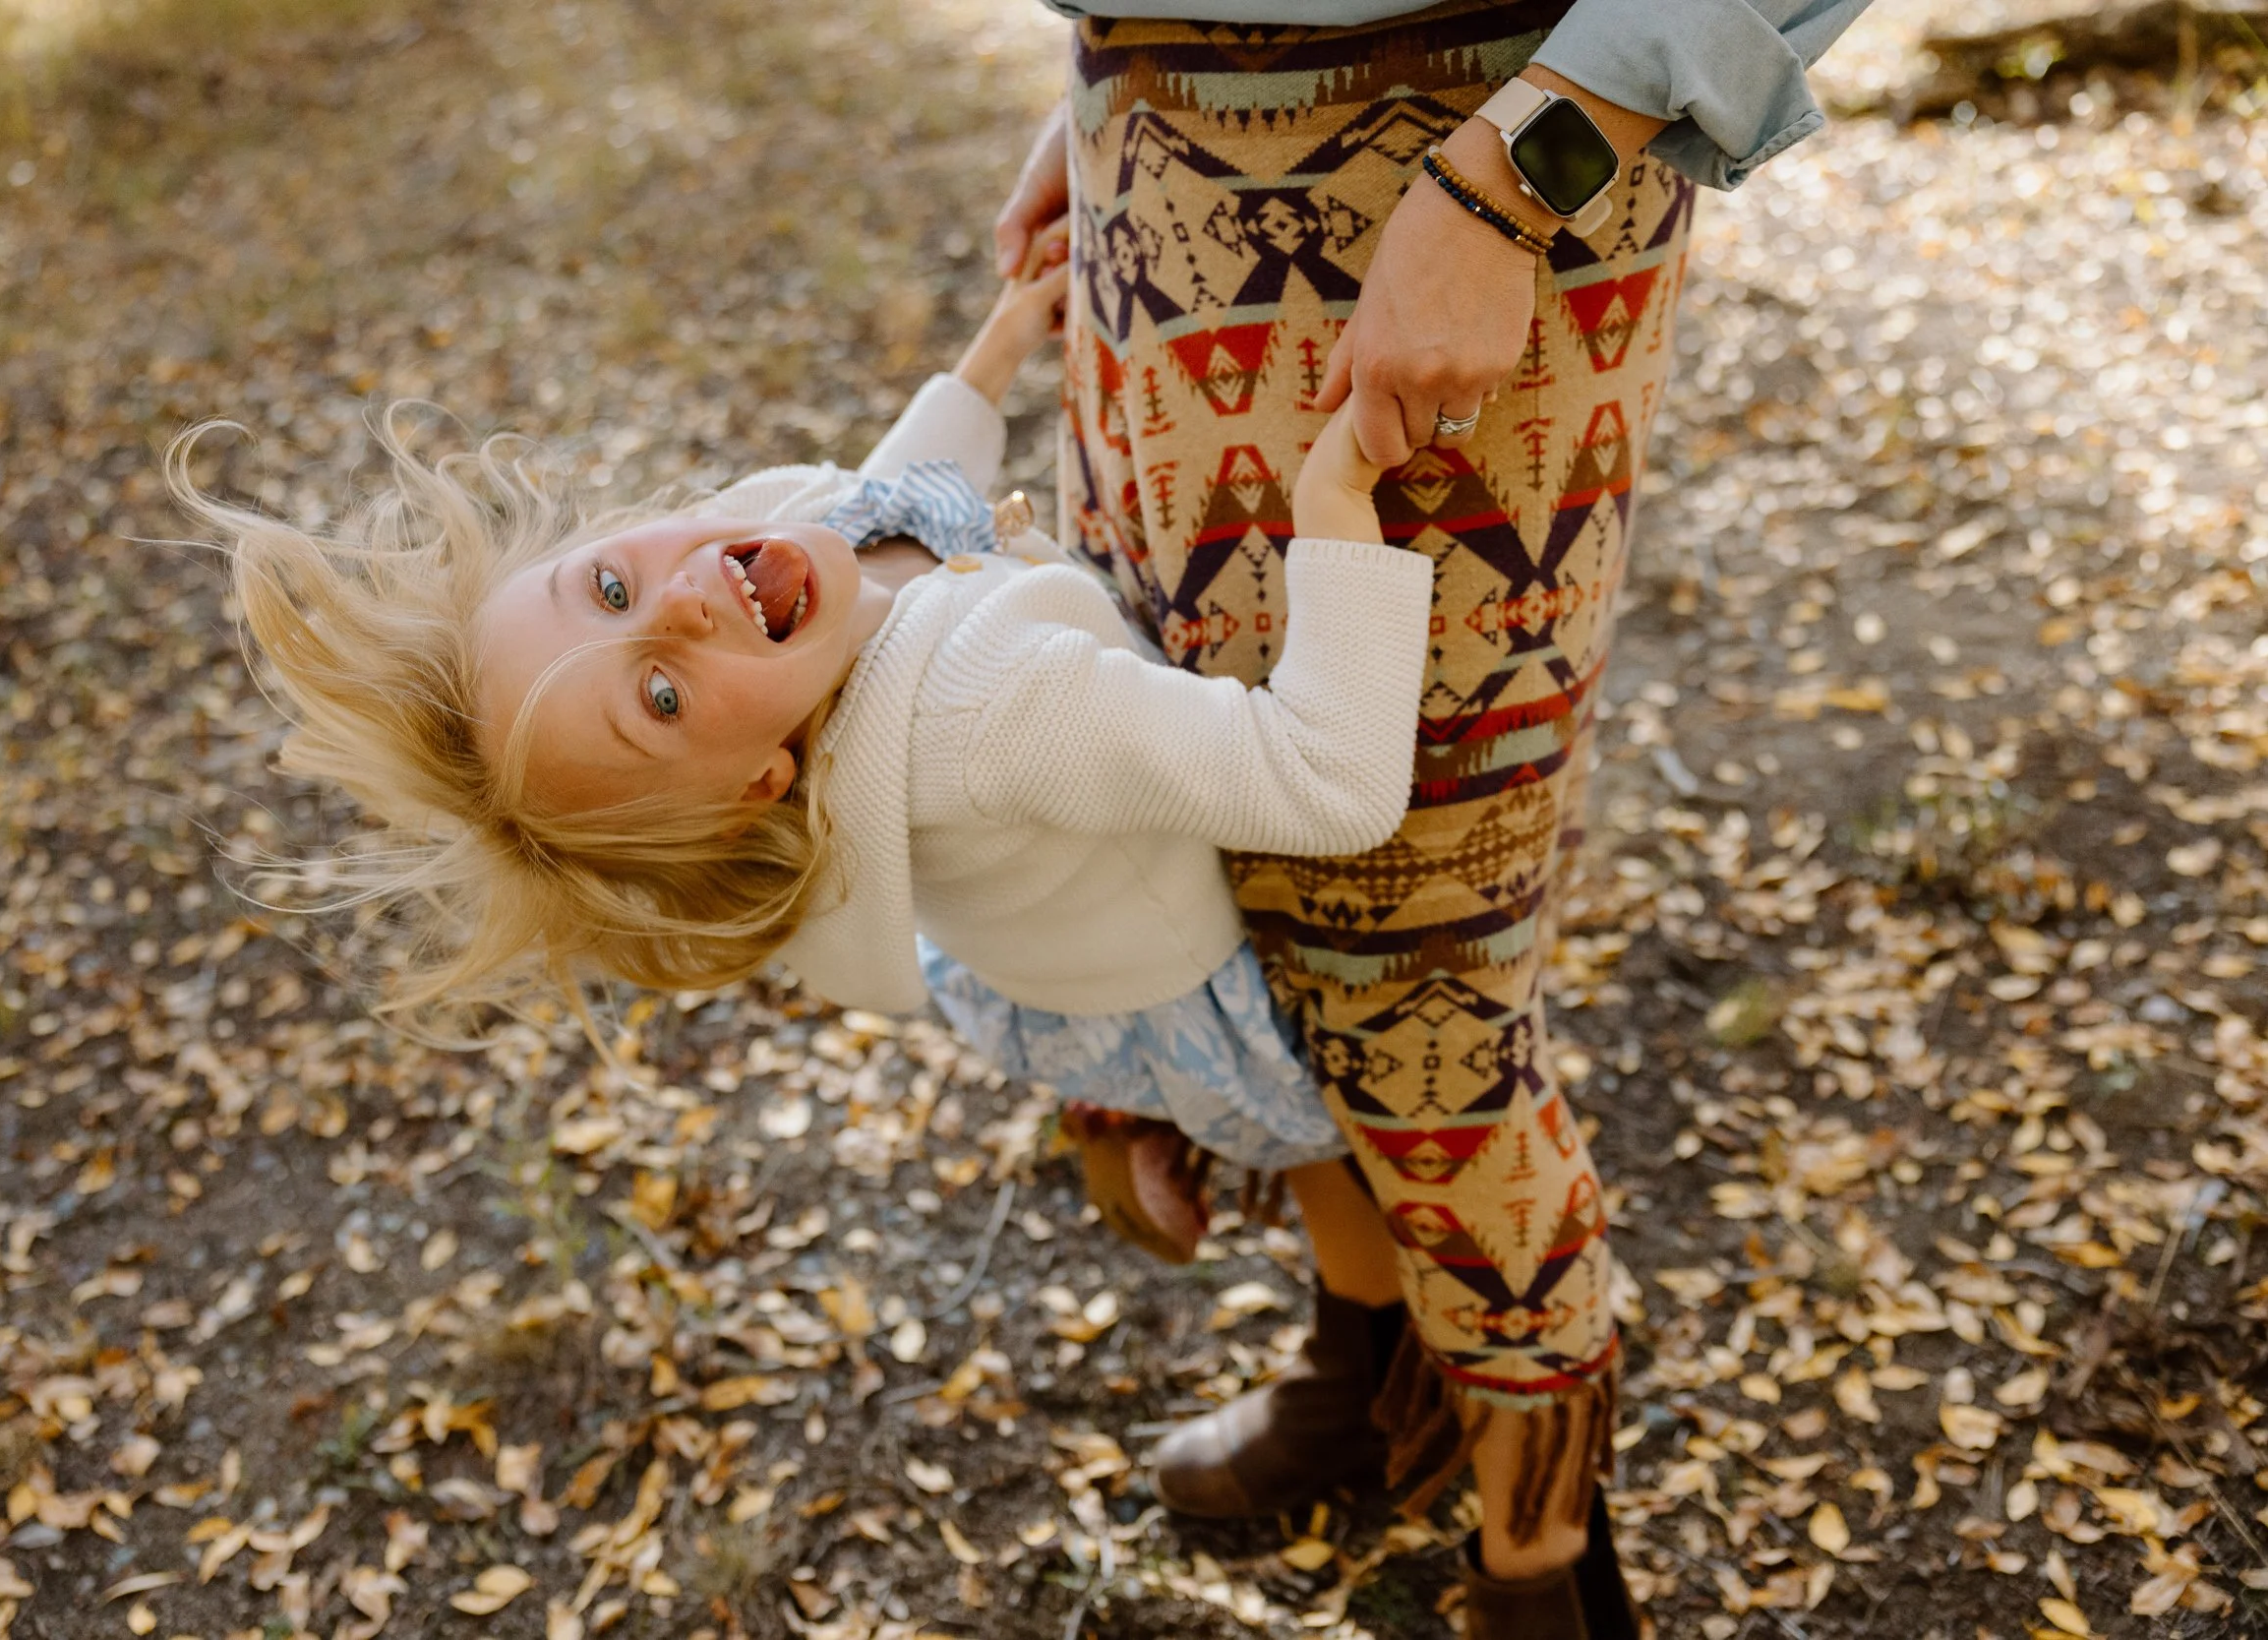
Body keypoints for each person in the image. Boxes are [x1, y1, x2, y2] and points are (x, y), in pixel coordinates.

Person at [172, 232, 1436, 1474]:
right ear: (758, 783)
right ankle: (1355, 1360)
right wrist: (1331, 506)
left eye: (607, 590)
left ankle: (1117, 1106)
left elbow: (884, 504)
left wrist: (992, 354)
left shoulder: (765, 549)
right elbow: (1325, 782)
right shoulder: (990, 706)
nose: (676, 604)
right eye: (659, 696)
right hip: (1158, 962)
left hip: (1031, 938)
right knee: (1322, 1149)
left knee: (1077, 979)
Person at [991, 2, 1875, 1634]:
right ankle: (1371, 1372)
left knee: (1419, 965)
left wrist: (1525, 171)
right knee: (1234, 891)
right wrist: (1119, 82)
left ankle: (1544, 1577)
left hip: (1465, 159)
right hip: (1156, 168)